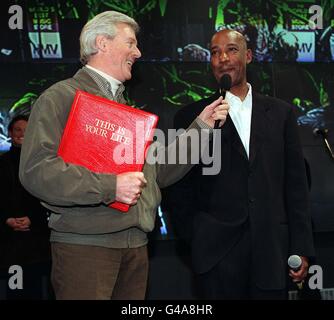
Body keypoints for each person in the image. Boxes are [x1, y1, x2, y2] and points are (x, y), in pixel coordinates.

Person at [19, 11, 228, 300]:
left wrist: (201, 126)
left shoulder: (126, 110)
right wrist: (111, 187)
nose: (138, 52)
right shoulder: (60, 98)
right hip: (86, 249)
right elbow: (36, 171)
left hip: (135, 248)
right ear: (102, 43)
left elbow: (159, 172)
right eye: (130, 43)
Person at [170, 29, 315, 299]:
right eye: (215, 52)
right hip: (215, 257)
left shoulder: (281, 113)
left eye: (232, 50)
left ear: (248, 56)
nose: (223, 58)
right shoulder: (191, 117)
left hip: (270, 252)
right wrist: (196, 236)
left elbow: (296, 186)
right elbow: (176, 185)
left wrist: (300, 246)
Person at [0, 115, 51, 300]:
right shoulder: (2, 163)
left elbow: (48, 197)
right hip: (10, 240)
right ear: (10, 133)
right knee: (16, 290)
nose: (22, 134)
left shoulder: (43, 164)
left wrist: (33, 218)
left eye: (26, 130)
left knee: (35, 287)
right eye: (17, 130)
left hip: (36, 239)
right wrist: (7, 219)